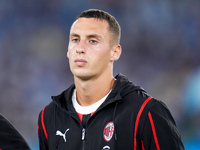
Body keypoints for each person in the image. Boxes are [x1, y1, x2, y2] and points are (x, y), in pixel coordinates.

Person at [38, 9, 185, 150]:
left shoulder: (145, 112)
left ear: (114, 52)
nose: (80, 48)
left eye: (93, 41)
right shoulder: (49, 116)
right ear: (68, 50)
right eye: (75, 39)